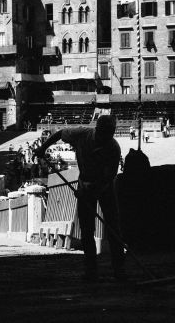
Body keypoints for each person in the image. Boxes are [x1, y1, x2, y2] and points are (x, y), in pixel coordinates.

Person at [34, 115, 125, 282]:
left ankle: (119, 270)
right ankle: (91, 271)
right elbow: (60, 134)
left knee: (114, 228)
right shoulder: (82, 135)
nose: (107, 137)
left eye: (110, 134)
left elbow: (109, 176)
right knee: (87, 230)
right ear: (98, 130)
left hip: (105, 189)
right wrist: (43, 148)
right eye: (105, 133)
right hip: (84, 184)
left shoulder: (113, 148)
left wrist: (92, 190)